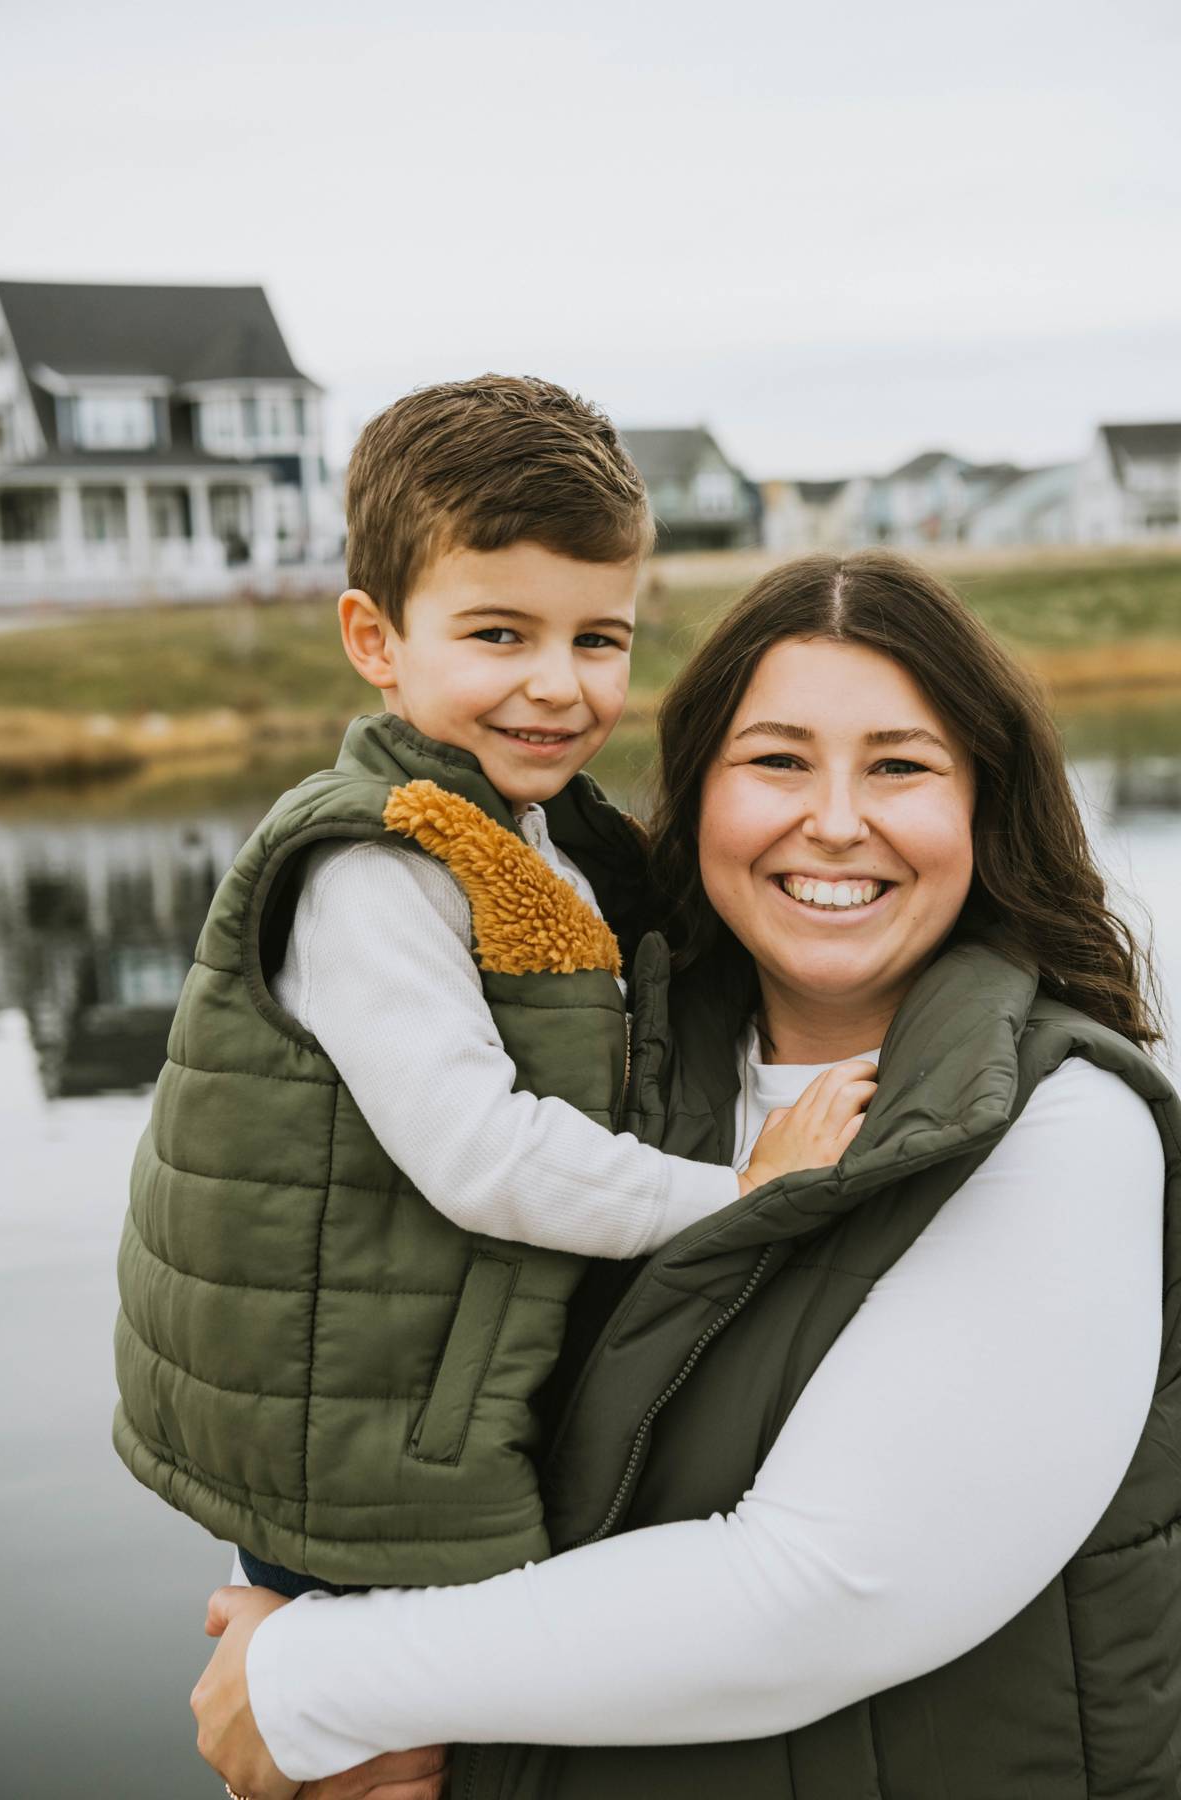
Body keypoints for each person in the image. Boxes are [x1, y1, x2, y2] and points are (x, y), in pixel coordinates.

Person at [191, 550, 1179, 1800]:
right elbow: (357, 1340)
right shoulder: (590, 1072)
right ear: (698, 792)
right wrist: (309, 1642)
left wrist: (319, 1684)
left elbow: (822, 1596)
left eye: (900, 765)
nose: (833, 820)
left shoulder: (1060, 1125)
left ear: (985, 806)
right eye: (775, 761)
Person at [111, 376, 842, 1606]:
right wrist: (741, 1194)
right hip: (362, 1467)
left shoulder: (526, 830)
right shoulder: (376, 864)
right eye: (500, 634)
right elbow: (479, 1152)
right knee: (404, 1762)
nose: (559, 684)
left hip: (416, 1413)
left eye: (597, 639)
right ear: (375, 641)